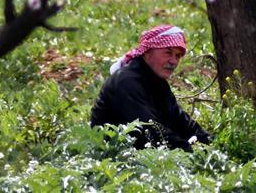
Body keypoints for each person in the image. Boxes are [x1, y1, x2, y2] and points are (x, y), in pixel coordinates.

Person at [90, 24, 211, 152]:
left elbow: (182, 123)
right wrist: (191, 152)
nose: (173, 61)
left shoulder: (158, 83)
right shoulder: (126, 81)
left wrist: (210, 142)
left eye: (177, 56)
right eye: (168, 53)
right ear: (147, 53)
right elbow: (149, 131)